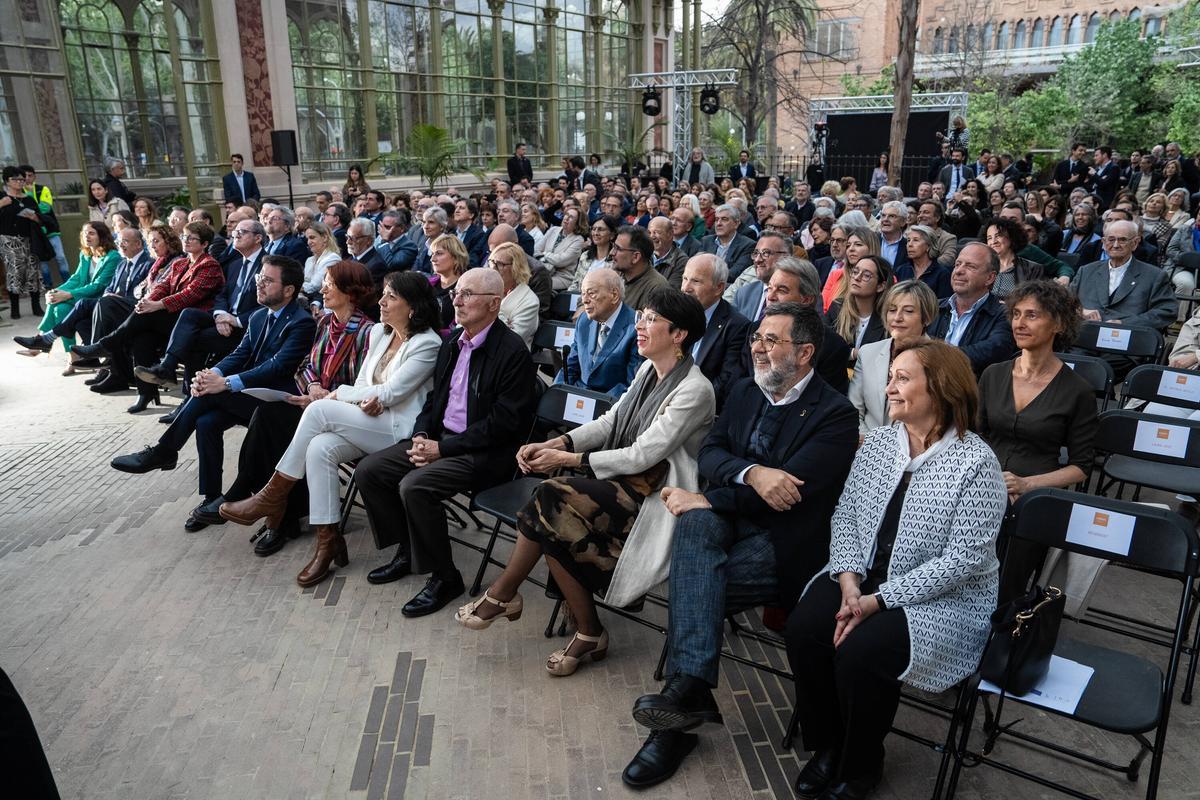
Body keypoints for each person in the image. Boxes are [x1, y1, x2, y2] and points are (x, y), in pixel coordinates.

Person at [621, 301, 857, 788]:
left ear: (806, 352)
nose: (759, 348)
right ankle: (688, 696)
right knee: (693, 531)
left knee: (695, 585)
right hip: (731, 517)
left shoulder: (836, 415)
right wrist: (754, 472)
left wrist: (712, 498)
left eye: (772, 341)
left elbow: (787, 499)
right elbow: (711, 453)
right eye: (756, 339)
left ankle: (680, 710)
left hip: (788, 541)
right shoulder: (746, 390)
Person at [785, 340, 1006, 800]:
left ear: (941, 388)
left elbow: (963, 562)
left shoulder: (976, 462)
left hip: (942, 599)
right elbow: (847, 515)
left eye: (903, 379)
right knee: (806, 628)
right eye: (891, 377)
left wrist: (875, 601)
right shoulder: (881, 444)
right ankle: (828, 745)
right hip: (863, 575)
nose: (889, 388)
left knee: (861, 653)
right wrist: (848, 582)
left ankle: (861, 763)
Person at [456, 287, 712, 674]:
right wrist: (560, 439)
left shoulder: (695, 389)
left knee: (549, 500)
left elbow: (644, 453)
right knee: (548, 514)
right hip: (623, 482)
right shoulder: (648, 370)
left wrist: (570, 458)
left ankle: (514, 597)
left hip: (655, 497)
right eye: (640, 317)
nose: (639, 327)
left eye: (650, 320)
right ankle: (582, 629)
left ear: (679, 335)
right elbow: (611, 422)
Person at [355, 267, 537, 612]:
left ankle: (445, 577)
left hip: (487, 454)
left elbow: (504, 425)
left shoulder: (511, 352)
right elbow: (434, 399)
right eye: (457, 293)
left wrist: (443, 448)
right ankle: (409, 550)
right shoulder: (453, 341)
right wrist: (423, 435)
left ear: (494, 304)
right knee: (371, 470)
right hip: (441, 440)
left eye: (468, 294)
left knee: (415, 486)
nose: (458, 300)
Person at [109, 256, 318, 524]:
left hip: (277, 403)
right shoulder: (257, 317)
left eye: (267, 280)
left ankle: (165, 451)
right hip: (248, 398)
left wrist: (225, 383)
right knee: (207, 421)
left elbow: (277, 367)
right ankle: (211, 500)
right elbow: (239, 355)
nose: (260, 284)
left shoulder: (301, 322)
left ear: (288, 290)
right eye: (259, 278)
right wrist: (212, 374)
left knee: (212, 392)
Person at [210, 263, 381, 559]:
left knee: (271, 421)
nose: (322, 289)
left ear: (350, 292)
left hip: (343, 416)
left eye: (329, 284)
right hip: (313, 405)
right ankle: (277, 514)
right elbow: (305, 366)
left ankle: (267, 508)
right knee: (268, 416)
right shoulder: (326, 323)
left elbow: (364, 384)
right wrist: (313, 387)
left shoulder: (368, 332)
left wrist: (323, 397)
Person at [978, 280, 1097, 602]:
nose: (1019, 323)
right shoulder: (993, 374)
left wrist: (1028, 485)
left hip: (1035, 494)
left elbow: (1081, 467)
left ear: (1057, 323)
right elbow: (974, 437)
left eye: (1032, 315)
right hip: (982, 483)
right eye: (1016, 314)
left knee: (1005, 582)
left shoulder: (1077, 391)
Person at [72, 222, 225, 412]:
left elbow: (190, 295)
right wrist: (148, 301)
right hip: (171, 318)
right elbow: (162, 286)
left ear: (204, 244)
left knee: (144, 316)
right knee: (141, 336)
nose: (186, 241)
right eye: (184, 237)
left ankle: (106, 345)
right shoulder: (180, 263)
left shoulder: (210, 265)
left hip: (193, 322)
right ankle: (145, 393)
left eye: (192, 238)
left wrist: (157, 305)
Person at [132, 218, 267, 391]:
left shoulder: (268, 264)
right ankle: (168, 369)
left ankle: (187, 393)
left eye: (242, 232)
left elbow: (269, 304)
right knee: (189, 315)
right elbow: (222, 296)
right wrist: (220, 316)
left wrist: (236, 320)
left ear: (257, 238)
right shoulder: (235, 265)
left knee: (191, 339)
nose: (235, 236)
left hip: (247, 327)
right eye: (234, 233)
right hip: (222, 320)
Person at [28, 227, 151, 380]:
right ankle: (102, 367)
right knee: (73, 315)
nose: (121, 244)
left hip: (130, 311)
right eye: (119, 241)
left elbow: (138, 295)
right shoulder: (122, 262)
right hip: (108, 304)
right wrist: (56, 291)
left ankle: (54, 341)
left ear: (138, 244)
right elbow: (105, 287)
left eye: (125, 241)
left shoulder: (147, 263)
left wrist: (111, 297)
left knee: (84, 304)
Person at [1069, 219, 1178, 378]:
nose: (1116, 244)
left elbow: (1167, 311)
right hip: (1084, 340)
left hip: (1124, 346)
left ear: (1135, 243)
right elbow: (1064, 303)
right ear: (1104, 242)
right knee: (1073, 365)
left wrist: (1124, 323)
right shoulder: (1086, 271)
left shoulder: (1154, 275)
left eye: (1122, 240)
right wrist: (1082, 310)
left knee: (1093, 371)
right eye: (1111, 239)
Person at [14, 221, 120, 372]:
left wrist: (69, 294)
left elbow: (99, 286)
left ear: (101, 236)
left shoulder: (112, 257)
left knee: (61, 301)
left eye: (91, 233)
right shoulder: (86, 254)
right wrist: (56, 291)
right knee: (60, 306)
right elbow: (76, 279)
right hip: (82, 297)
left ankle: (41, 341)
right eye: (84, 233)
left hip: (100, 299)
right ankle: (71, 356)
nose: (86, 236)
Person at [849, 280, 938, 436]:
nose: (897, 318)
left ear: (927, 318)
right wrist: (873, 443)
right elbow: (854, 408)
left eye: (908, 311)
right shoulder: (868, 352)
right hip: (866, 444)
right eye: (892, 310)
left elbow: (938, 416)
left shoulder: (941, 358)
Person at [928, 242, 1017, 375]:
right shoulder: (933, 306)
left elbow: (993, 351)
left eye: (970, 266)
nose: (958, 271)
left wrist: (933, 354)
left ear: (990, 278)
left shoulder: (1004, 315)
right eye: (957, 264)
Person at [557, 268, 641, 397]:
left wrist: (596, 404)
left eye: (591, 293)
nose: (584, 300)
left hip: (609, 403)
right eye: (583, 293)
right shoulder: (584, 320)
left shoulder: (636, 328)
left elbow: (631, 384)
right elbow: (570, 367)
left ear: (614, 295)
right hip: (578, 395)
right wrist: (556, 393)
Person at [679, 253, 750, 405]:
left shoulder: (737, 326)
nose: (686, 288)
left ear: (719, 288)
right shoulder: (674, 313)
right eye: (685, 279)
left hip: (697, 405)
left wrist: (686, 403)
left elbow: (724, 383)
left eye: (695, 281)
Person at [826, 254, 891, 362]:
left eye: (866, 275)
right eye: (855, 272)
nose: (857, 278)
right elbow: (824, 346)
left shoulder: (888, 318)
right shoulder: (837, 307)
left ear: (880, 286)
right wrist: (852, 353)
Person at [0, 166, 44, 320]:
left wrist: (35, 218)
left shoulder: (29, 199)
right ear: (6, 181)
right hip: (9, 239)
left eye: (22, 179)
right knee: (15, 272)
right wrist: (2, 204)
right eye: (15, 179)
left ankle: (36, 306)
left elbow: (41, 218)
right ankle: (15, 308)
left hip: (30, 238)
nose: (19, 182)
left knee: (34, 271)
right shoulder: (2, 197)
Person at [490, 241, 539, 348]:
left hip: (508, 358)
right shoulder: (484, 289)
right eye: (492, 262)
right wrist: (505, 322)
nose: (493, 268)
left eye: (500, 264)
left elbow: (512, 339)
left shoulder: (530, 301)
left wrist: (493, 308)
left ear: (516, 268)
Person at [985, 217, 1044, 301]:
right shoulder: (984, 267)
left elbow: (1033, 301)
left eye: (998, 236)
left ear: (1011, 237)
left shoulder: (1032, 269)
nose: (993, 241)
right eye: (989, 238)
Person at [613, 224, 669, 313]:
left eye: (618, 249)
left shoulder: (657, 288)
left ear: (635, 257)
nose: (612, 253)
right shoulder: (616, 276)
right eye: (614, 247)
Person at [895, 225, 952, 299]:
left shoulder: (942, 274)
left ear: (928, 246)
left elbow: (943, 304)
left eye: (916, 240)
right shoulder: (901, 270)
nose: (910, 244)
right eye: (908, 240)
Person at [536, 207, 586, 291]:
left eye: (571, 217)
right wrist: (548, 257)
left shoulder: (578, 240)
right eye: (566, 214)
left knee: (539, 283)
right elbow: (536, 250)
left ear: (577, 223)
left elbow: (561, 261)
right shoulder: (553, 230)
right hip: (544, 270)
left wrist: (544, 254)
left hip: (561, 276)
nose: (566, 218)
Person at [701, 204, 755, 280]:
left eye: (724, 219)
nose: (719, 223)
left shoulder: (748, 245)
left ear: (736, 224)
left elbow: (734, 274)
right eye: (716, 219)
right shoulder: (706, 241)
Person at [428, 232, 468, 331]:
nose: (432, 259)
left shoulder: (466, 288)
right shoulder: (426, 285)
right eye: (432, 254)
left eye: (439, 253)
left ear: (456, 257)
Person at [568, 215, 618, 291]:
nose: (596, 233)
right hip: (580, 298)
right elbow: (576, 283)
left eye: (601, 230)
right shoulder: (585, 256)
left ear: (612, 235)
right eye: (594, 229)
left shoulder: (616, 259)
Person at [300, 221, 342, 310]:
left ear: (324, 238)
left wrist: (295, 286)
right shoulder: (309, 260)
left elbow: (314, 286)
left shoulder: (332, 258)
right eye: (307, 239)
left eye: (312, 238)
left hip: (326, 306)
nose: (308, 242)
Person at [648, 216, 689, 290]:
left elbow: (669, 292)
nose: (652, 236)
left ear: (670, 234)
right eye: (649, 232)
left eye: (656, 232)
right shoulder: (643, 255)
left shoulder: (681, 261)